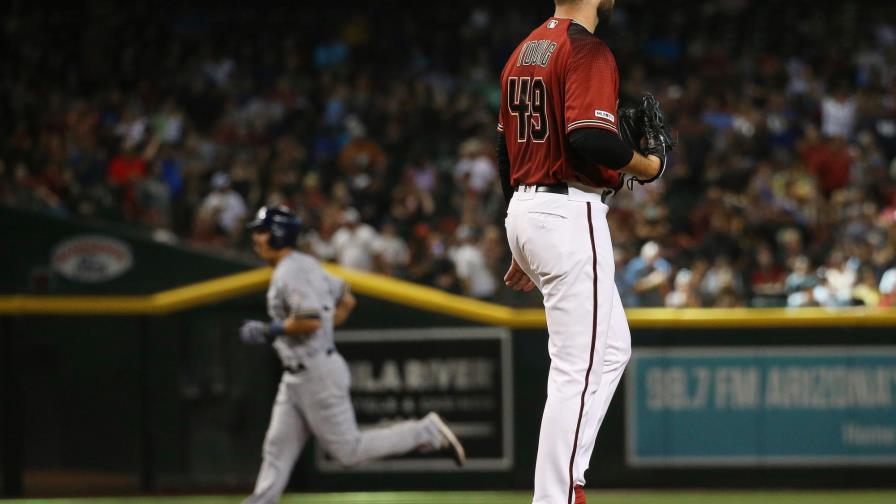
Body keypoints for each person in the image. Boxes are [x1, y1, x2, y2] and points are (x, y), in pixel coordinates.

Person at [496, 1, 670, 503]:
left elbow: (505, 147)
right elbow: (590, 134)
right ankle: (555, 496)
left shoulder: (525, 50)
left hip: (528, 206)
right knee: (576, 368)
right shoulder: (586, 48)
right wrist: (647, 166)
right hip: (567, 212)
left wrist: (522, 238)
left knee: (611, 349)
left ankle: (568, 477)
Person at [239, 205, 465, 503]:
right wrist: (323, 328)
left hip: (315, 372)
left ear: (279, 234)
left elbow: (310, 319)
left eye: (262, 231)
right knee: (277, 449)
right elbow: (346, 299)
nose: (256, 238)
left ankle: (426, 432)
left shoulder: (290, 271)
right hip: (300, 373)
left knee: (348, 451)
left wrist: (270, 330)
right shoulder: (305, 264)